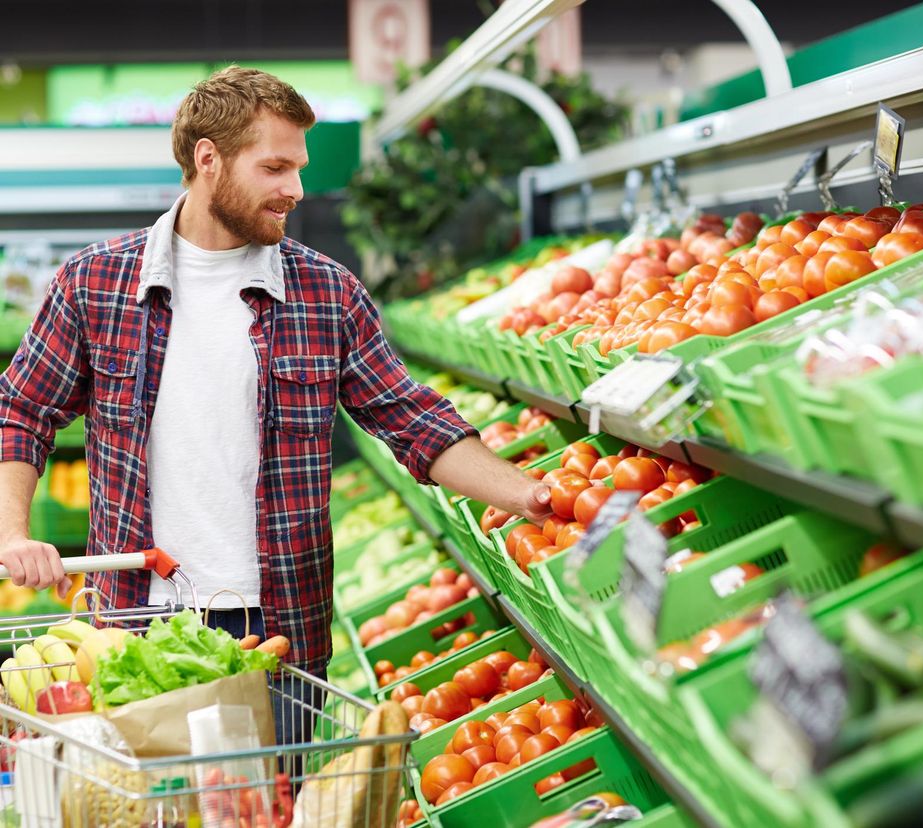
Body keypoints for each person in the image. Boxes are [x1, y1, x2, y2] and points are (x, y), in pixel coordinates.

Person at [0, 66, 551, 684]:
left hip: (279, 630)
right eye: (273, 168)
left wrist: (534, 498)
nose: (296, 188)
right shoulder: (96, 283)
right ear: (209, 158)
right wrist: (14, 534)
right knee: (161, 785)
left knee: (276, 785)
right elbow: (21, 411)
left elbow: (413, 421)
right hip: (137, 625)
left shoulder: (326, 293)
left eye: (298, 168)